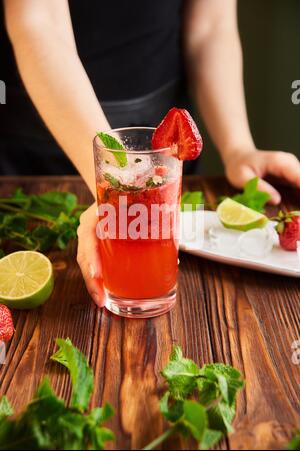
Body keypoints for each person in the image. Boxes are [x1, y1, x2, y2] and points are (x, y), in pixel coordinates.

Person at [1, 0, 300, 306]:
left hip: (162, 149)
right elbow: (39, 20)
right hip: (36, 142)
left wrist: (238, 147)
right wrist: (119, 189)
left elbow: (211, 27)